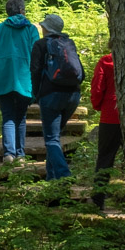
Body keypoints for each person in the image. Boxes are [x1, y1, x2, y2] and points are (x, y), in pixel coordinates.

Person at [0, 0, 41, 163]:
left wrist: (3, 64)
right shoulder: (31, 30)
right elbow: (37, 53)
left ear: (7, 12)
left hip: (4, 78)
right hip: (25, 79)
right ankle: (21, 155)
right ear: (22, 11)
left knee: (8, 116)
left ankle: (9, 154)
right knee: (21, 117)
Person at [30, 12, 84, 181]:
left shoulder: (40, 45)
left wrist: (36, 95)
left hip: (51, 96)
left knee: (52, 139)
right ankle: (51, 178)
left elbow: (35, 71)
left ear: (46, 28)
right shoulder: (68, 43)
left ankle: (64, 175)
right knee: (54, 136)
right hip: (73, 95)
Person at [89, 42, 121, 210]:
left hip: (110, 116)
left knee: (105, 158)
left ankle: (98, 200)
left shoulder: (106, 61)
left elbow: (97, 88)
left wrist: (98, 105)